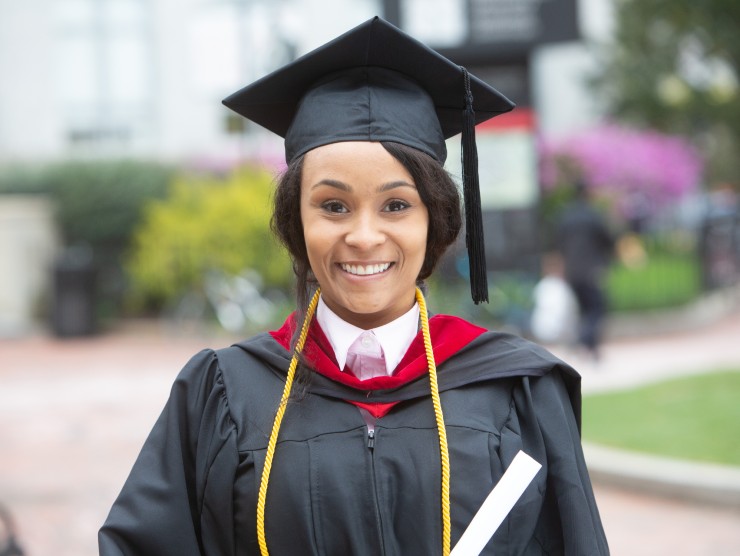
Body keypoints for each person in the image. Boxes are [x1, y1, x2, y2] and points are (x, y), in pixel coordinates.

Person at [99, 17, 609, 555]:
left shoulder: (516, 390)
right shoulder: (224, 394)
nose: (364, 236)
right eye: (333, 206)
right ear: (296, 222)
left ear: (433, 220)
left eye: (396, 205)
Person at [556, 181, 615, 360]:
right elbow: (608, 240)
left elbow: (558, 244)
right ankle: (583, 341)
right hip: (591, 270)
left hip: (572, 271)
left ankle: (591, 348)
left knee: (584, 310)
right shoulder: (593, 216)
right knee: (597, 309)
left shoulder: (566, 216)